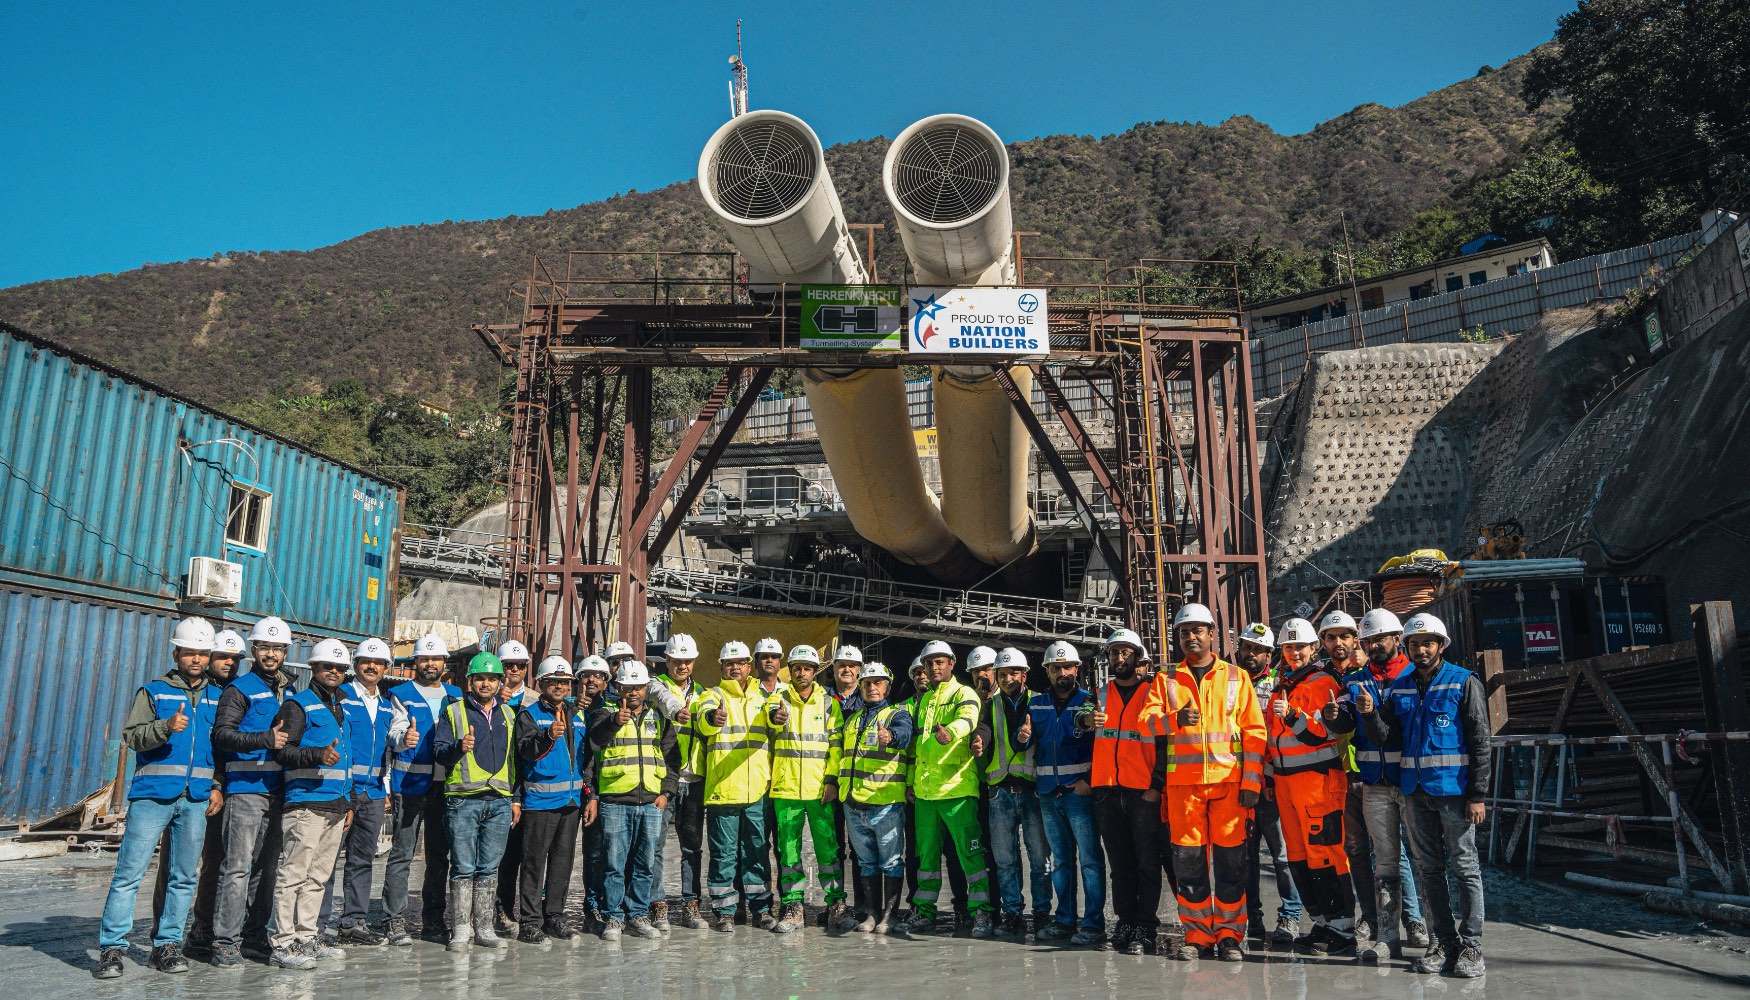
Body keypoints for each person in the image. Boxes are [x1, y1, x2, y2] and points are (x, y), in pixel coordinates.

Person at [1361, 613, 1491, 978]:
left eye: (1427, 643)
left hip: (1454, 793)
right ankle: (1444, 944)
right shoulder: (1401, 685)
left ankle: (1472, 947)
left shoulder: (1463, 682)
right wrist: (1371, 715)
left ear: (1441, 645)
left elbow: (1481, 741)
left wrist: (1477, 795)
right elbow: (1386, 736)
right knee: (1429, 870)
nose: (1420, 649)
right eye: (1414, 644)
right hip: (1415, 791)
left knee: (1465, 868)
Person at [94, 617, 223, 980]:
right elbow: (133, 737)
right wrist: (165, 728)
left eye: (202, 653)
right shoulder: (154, 692)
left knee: (183, 877)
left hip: (196, 799)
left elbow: (219, 750)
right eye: (189, 653)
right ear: (176, 653)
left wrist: (217, 785)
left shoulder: (217, 697)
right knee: (128, 876)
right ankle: (111, 950)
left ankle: (167, 946)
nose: (196, 659)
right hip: (152, 796)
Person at [1139, 602, 1267, 963]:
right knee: (1189, 865)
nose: (1190, 637)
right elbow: (1145, 725)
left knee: (1231, 865)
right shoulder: (1165, 681)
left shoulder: (1236, 677)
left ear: (1212, 634)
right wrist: (1175, 718)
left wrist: (1252, 783)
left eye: (1197, 630)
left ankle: (1229, 935)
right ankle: (1197, 936)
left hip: (1229, 786)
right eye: (1184, 632)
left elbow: (1255, 734)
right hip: (1184, 790)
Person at [1323, 610, 1428, 950]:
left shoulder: (1414, 676)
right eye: (1368, 641)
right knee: (1385, 857)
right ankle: (1388, 928)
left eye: (1379, 639)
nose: (1374, 646)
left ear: (1396, 638)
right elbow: (1345, 725)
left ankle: (1416, 922)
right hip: (1372, 780)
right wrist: (1333, 718)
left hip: (1409, 780)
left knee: (1417, 857)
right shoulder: (1355, 681)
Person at [1262, 618, 1360, 957]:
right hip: (1288, 782)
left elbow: (1322, 733)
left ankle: (1343, 928)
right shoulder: (1283, 683)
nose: (1293, 652)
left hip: (1318, 781)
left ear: (1312, 648)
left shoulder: (1321, 682)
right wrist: (1271, 775)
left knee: (1325, 851)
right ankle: (1321, 920)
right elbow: (1274, 741)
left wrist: (1290, 715)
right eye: (1288, 647)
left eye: (1299, 646)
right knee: (1299, 853)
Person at [151, 627, 244, 957]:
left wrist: (219, 784)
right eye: (222, 657)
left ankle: (203, 927)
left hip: (223, 790)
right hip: (186, 791)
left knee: (216, 861)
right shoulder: (188, 691)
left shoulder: (230, 694)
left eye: (235, 659)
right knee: (176, 864)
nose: (229, 663)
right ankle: (163, 932)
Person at [209, 615, 294, 967]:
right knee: (237, 868)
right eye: (264, 648)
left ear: (286, 651)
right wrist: (264, 739)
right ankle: (224, 941)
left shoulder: (292, 691)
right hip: (245, 791)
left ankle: (255, 935)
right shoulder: (239, 690)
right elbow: (222, 736)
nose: (270, 654)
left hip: (279, 792)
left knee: (266, 869)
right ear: (253, 650)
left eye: (277, 648)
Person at [267, 638, 356, 970]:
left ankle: (306, 936)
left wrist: (348, 803)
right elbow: (282, 751)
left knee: (318, 877)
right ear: (314, 669)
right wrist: (317, 755)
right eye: (327, 666)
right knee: (293, 874)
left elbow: (345, 760)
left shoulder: (341, 706)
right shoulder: (297, 706)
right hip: (304, 804)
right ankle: (282, 942)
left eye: (339, 668)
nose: (333, 671)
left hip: (334, 805)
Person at [432, 652, 519, 951]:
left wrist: (515, 798)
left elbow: (515, 761)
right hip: (463, 800)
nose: (486, 683)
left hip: (499, 800)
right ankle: (460, 928)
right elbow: (440, 752)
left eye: (492, 678)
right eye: (480, 678)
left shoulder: (509, 715)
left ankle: (484, 927)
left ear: (500, 682)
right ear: (469, 681)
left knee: (489, 867)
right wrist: (459, 747)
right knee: (463, 866)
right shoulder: (453, 712)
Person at [906, 639, 993, 937]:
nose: (933, 667)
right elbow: (918, 747)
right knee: (926, 859)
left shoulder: (964, 692)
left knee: (971, 856)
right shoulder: (925, 700)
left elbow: (968, 719)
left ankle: (981, 912)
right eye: (929, 663)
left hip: (957, 791)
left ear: (951, 664)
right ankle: (925, 911)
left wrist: (952, 732)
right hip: (927, 794)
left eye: (940, 662)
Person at [588, 660, 679, 941]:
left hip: (651, 802)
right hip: (616, 800)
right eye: (628, 688)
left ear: (646, 689)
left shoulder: (658, 717)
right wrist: (615, 722)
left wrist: (666, 793)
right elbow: (594, 741)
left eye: (639, 687)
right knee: (614, 863)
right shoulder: (605, 713)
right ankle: (613, 916)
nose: (634, 693)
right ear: (618, 688)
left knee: (644, 863)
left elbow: (673, 758)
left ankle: (638, 914)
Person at [382, 633, 460, 946]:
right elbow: (395, 731)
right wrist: (404, 740)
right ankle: (394, 919)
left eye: (436, 659)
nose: (430, 664)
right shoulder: (401, 693)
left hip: (445, 786)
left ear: (444, 663)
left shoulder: (455, 694)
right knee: (402, 854)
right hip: (410, 785)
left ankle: (433, 920)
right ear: (416, 662)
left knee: (439, 857)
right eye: (424, 659)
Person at [1089, 627, 1163, 956]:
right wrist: (1085, 720)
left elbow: (1164, 742)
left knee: (1147, 862)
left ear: (1137, 658)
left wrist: (1157, 785)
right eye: (1114, 653)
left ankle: (1145, 926)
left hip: (1141, 791)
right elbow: (1083, 721)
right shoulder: (1102, 693)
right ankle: (1125, 920)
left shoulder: (1153, 694)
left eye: (1125, 653)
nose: (1119, 658)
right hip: (1107, 790)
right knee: (1120, 864)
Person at [513, 655, 595, 943]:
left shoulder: (577, 715)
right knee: (534, 863)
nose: (559, 686)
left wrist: (590, 795)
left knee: (562, 863)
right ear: (542, 683)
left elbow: (585, 760)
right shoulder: (530, 715)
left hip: (571, 803)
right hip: (540, 803)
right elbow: (524, 751)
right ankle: (530, 921)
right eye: (553, 682)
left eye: (564, 682)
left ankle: (554, 917)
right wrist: (547, 735)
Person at [319, 636, 395, 946]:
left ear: (385, 668)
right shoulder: (341, 696)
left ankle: (353, 923)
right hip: (343, 791)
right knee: (327, 860)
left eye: (378, 663)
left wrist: (386, 787)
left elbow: (390, 751)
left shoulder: (388, 707)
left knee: (363, 860)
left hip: (374, 794)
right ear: (356, 665)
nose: (372, 666)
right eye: (366, 661)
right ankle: (318, 925)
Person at [827, 662, 913, 934]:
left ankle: (890, 916)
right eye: (867, 683)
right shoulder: (852, 720)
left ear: (887, 686)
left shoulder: (896, 715)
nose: (872, 687)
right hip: (854, 803)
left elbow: (904, 734)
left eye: (878, 683)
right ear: (861, 687)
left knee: (891, 861)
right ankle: (872, 914)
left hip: (884, 803)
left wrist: (893, 737)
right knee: (866, 862)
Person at [766, 644, 847, 933]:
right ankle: (793, 906)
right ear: (791, 670)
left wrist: (831, 780)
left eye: (807, 668)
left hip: (818, 790)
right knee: (788, 852)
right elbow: (769, 721)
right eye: (797, 668)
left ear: (815, 672)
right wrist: (775, 719)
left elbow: (836, 745)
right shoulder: (777, 699)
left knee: (828, 849)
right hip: (786, 788)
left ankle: (836, 902)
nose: (802, 673)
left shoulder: (828, 703)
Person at [1027, 640, 1103, 947]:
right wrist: (1022, 737)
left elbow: (1089, 728)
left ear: (1077, 669)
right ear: (1047, 671)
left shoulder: (1090, 701)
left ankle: (1093, 923)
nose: (1062, 673)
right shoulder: (1036, 704)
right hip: (1047, 793)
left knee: (1090, 860)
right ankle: (1065, 919)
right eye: (1056, 668)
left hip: (1079, 792)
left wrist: (1089, 779)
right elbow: (1025, 743)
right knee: (1061, 861)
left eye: (1067, 667)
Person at [696, 640, 776, 931]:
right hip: (724, 789)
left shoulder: (762, 697)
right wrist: (712, 718)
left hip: (757, 788)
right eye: (730, 663)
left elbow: (775, 718)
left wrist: (778, 718)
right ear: (722, 667)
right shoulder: (712, 695)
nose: (735, 667)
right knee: (724, 854)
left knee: (756, 850)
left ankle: (762, 909)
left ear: (749, 666)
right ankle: (725, 911)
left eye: (740, 662)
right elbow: (703, 722)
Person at [1237, 621, 1305, 948]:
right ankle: (1252, 918)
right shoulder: (1229, 682)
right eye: (1246, 648)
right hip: (1235, 784)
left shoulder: (1279, 684)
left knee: (1281, 855)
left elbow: (1274, 734)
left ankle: (1290, 915)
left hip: (1269, 784)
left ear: (1269, 654)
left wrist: (1266, 775)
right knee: (1245, 857)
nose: (1250, 654)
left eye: (1258, 649)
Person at [982, 647, 1050, 938]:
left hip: (1033, 791)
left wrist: (1027, 737)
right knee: (1005, 861)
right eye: (1002, 673)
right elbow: (984, 729)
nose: (1008, 678)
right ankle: (1012, 912)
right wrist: (978, 741)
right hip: (1000, 793)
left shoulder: (1040, 702)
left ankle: (1043, 914)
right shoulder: (990, 703)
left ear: (1024, 674)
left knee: (1039, 859)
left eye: (1013, 673)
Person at [652, 633, 709, 930]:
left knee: (692, 846)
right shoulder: (656, 686)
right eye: (677, 661)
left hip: (695, 778)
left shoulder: (704, 693)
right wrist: (677, 710)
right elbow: (663, 699)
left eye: (687, 661)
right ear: (668, 661)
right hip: (663, 779)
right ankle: (657, 903)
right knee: (656, 844)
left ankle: (691, 903)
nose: (682, 666)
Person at [491, 639, 536, 934]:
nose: (515, 670)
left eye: (520, 666)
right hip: (495, 784)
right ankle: (489, 910)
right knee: (492, 856)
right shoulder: (487, 697)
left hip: (527, 785)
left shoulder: (534, 699)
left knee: (518, 855)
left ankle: (508, 909)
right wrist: (498, 702)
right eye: (509, 666)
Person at [575, 653, 613, 931]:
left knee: (596, 852)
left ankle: (594, 906)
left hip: (594, 790)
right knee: (558, 853)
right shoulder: (565, 707)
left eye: (598, 675)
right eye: (586, 675)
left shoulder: (610, 712)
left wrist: (594, 794)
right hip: (563, 788)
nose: (591, 679)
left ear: (605, 681)